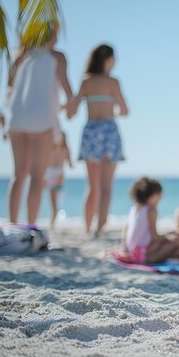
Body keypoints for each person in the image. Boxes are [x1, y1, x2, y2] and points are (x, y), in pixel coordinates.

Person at [7, 24, 75, 225]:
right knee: (37, 176)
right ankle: (29, 227)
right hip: (42, 119)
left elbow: (11, 89)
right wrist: (70, 108)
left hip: (16, 118)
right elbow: (68, 92)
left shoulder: (21, 57)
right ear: (52, 35)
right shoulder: (57, 57)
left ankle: (12, 226)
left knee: (18, 175)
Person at [73, 44, 129, 237]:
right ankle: (99, 229)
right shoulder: (113, 82)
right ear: (108, 59)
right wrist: (110, 107)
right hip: (108, 131)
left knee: (92, 187)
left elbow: (72, 110)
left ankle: (87, 228)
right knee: (106, 186)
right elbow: (125, 110)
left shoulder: (86, 81)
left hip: (90, 130)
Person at [122, 177, 179, 264]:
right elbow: (154, 237)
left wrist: (124, 250)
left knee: (173, 239)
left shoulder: (135, 208)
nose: (161, 197)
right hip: (143, 255)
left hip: (132, 251)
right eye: (159, 194)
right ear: (151, 194)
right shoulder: (151, 210)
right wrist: (170, 238)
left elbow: (125, 232)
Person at [46, 131, 73, 229]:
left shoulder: (63, 150)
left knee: (54, 200)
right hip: (52, 174)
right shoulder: (53, 148)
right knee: (53, 200)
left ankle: (52, 223)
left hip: (58, 175)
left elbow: (70, 163)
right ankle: (52, 222)